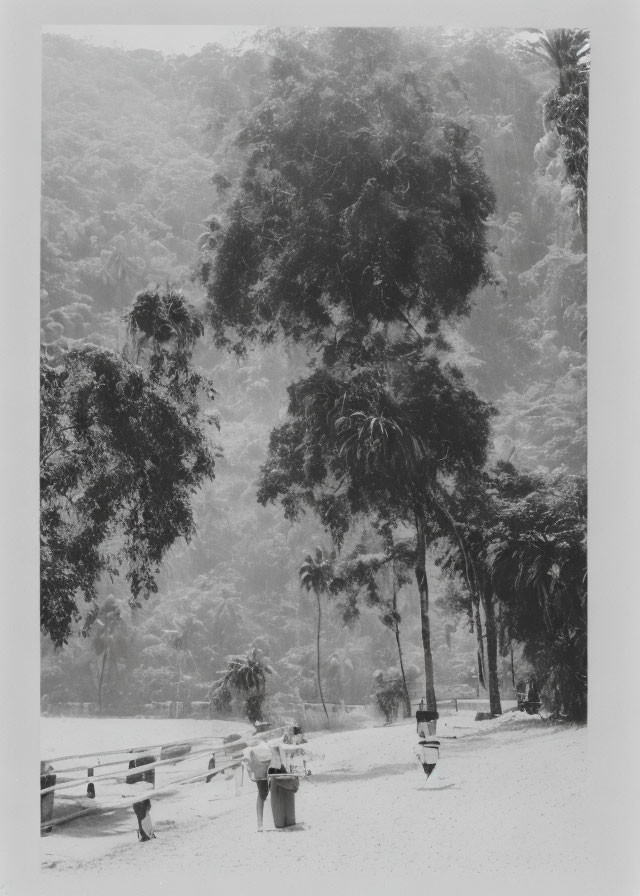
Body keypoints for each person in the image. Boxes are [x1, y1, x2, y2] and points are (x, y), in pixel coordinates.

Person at [242, 740, 272, 832]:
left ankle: (262, 824)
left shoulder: (260, 747)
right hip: (260, 764)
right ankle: (260, 824)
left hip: (265, 762)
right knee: (263, 793)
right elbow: (247, 763)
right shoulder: (251, 751)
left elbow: (247, 763)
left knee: (265, 792)